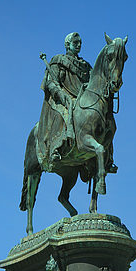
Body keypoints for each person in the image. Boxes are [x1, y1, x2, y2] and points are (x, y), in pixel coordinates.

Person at [38, 32, 92, 169]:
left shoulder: (86, 66)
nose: (79, 45)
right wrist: (61, 94)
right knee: (63, 114)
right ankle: (55, 149)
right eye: (75, 43)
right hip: (62, 99)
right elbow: (50, 82)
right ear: (67, 45)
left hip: (82, 100)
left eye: (80, 43)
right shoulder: (58, 60)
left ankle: (107, 158)